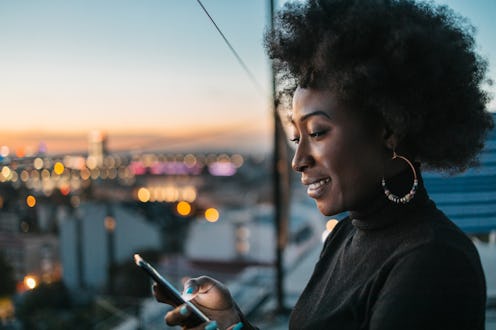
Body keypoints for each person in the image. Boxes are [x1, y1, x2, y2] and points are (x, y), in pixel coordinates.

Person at [154, 0, 494, 329]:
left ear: (389, 130)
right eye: (296, 138)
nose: (299, 161)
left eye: (317, 132)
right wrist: (231, 322)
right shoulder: (344, 235)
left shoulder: (434, 263)